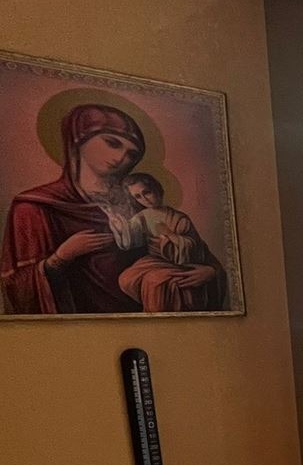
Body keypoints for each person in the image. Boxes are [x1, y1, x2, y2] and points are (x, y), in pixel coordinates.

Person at [2, 104, 145, 314]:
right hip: (73, 326)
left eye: (132, 154)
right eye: (112, 143)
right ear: (79, 138)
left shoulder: (136, 206)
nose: (121, 157)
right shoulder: (34, 206)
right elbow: (14, 286)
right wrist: (61, 257)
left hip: (138, 320)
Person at [110, 172, 227, 312]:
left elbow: (192, 247)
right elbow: (130, 241)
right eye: (138, 196)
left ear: (156, 189)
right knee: (126, 278)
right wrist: (120, 229)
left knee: (154, 281)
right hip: (155, 260)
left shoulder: (179, 218)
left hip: (179, 262)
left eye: (146, 192)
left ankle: (156, 315)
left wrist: (170, 235)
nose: (144, 199)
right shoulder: (142, 217)